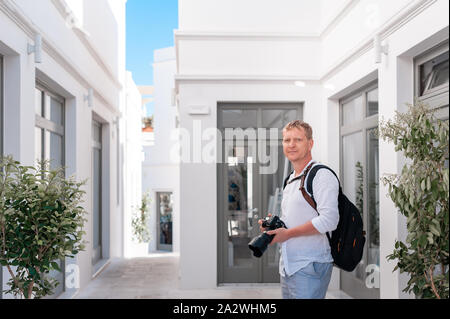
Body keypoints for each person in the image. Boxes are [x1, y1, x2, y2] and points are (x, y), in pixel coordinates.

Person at [259, 120, 339, 299]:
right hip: (289, 265)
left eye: (298, 139)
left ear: (310, 143)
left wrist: (288, 234)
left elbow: (330, 220)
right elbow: (294, 219)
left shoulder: (321, 175)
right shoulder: (291, 179)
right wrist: (274, 227)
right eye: (287, 140)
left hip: (310, 266)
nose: (291, 145)